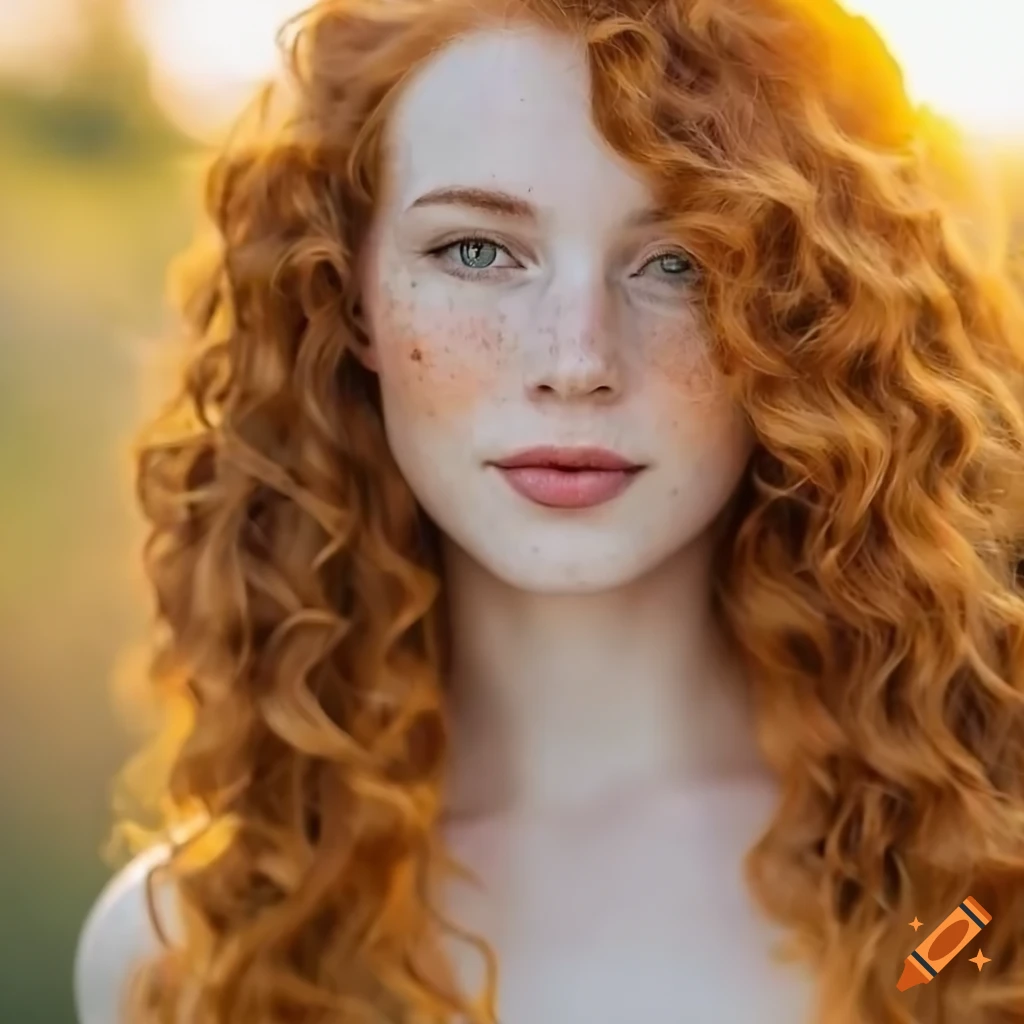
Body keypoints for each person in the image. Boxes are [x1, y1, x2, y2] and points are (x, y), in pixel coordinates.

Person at [74, 0, 1024, 1021]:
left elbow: (945, 974)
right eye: (477, 251)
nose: (576, 363)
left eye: (681, 262)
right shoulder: (195, 951)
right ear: (348, 295)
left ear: (805, 313)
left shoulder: (964, 893)